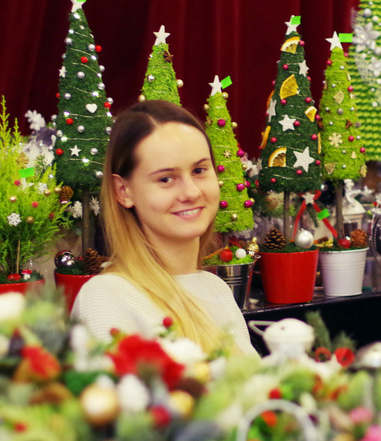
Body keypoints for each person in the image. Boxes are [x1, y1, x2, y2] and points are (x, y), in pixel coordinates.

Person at [72, 100, 257, 357]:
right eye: (166, 179)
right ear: (123, 191)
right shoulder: (106, 298)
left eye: (199, 170)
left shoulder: (216, 289)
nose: (191, 192)